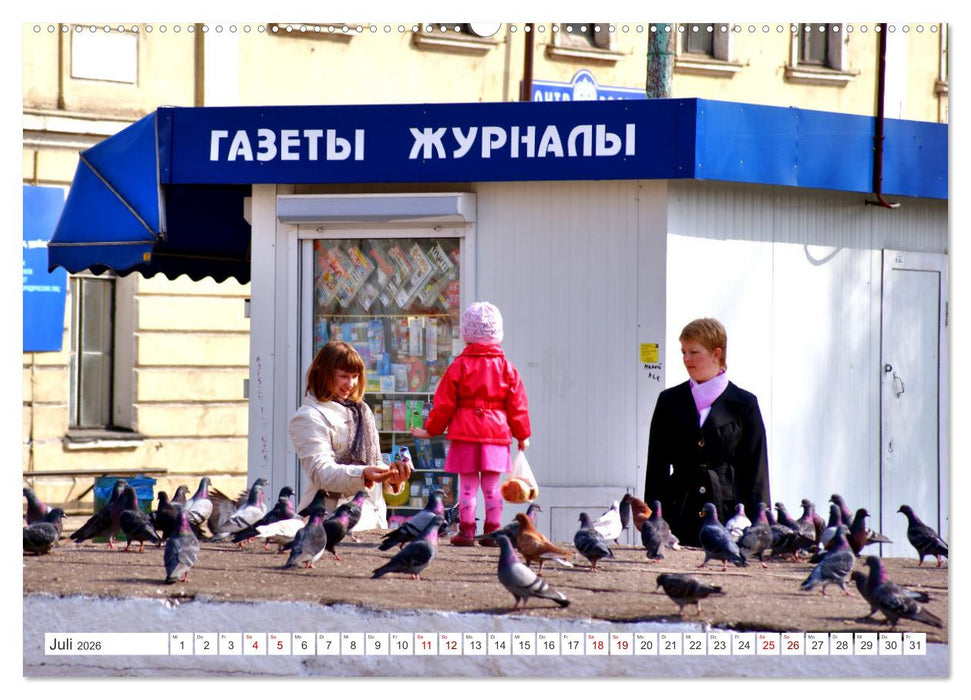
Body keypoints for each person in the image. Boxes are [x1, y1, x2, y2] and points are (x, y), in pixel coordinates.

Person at [410, 301, 531, 546]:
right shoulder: (507, 367)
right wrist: (522, 434)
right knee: (492, 486)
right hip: (495, 434)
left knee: (467, 486)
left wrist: (431, 430)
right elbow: (517, 404)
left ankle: (466, 531)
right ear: (497, 335)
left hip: (465, 433)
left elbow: (444, 404)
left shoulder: (459, 366)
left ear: (467, 335)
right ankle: (493, 532)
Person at [644, 318, 770, 547]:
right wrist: (652, 518)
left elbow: (756, 469)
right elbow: (656, 466)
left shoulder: (745, 404)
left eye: (694, 352)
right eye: (683, 352)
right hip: (679, 514)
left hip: (729, 516)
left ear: (716, 354)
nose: (686, 359)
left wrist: (760, 525)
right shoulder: (669, 401)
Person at [288, 340, 410, 530]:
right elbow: (321, 472)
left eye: (355, 376)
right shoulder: (308, 416)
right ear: (323, 374)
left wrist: (391, 478)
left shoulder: (362, 410)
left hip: (372, 520)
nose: (351, 384)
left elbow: (374, 461)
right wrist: (363, 474)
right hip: (330, 524)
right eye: (344, 376)